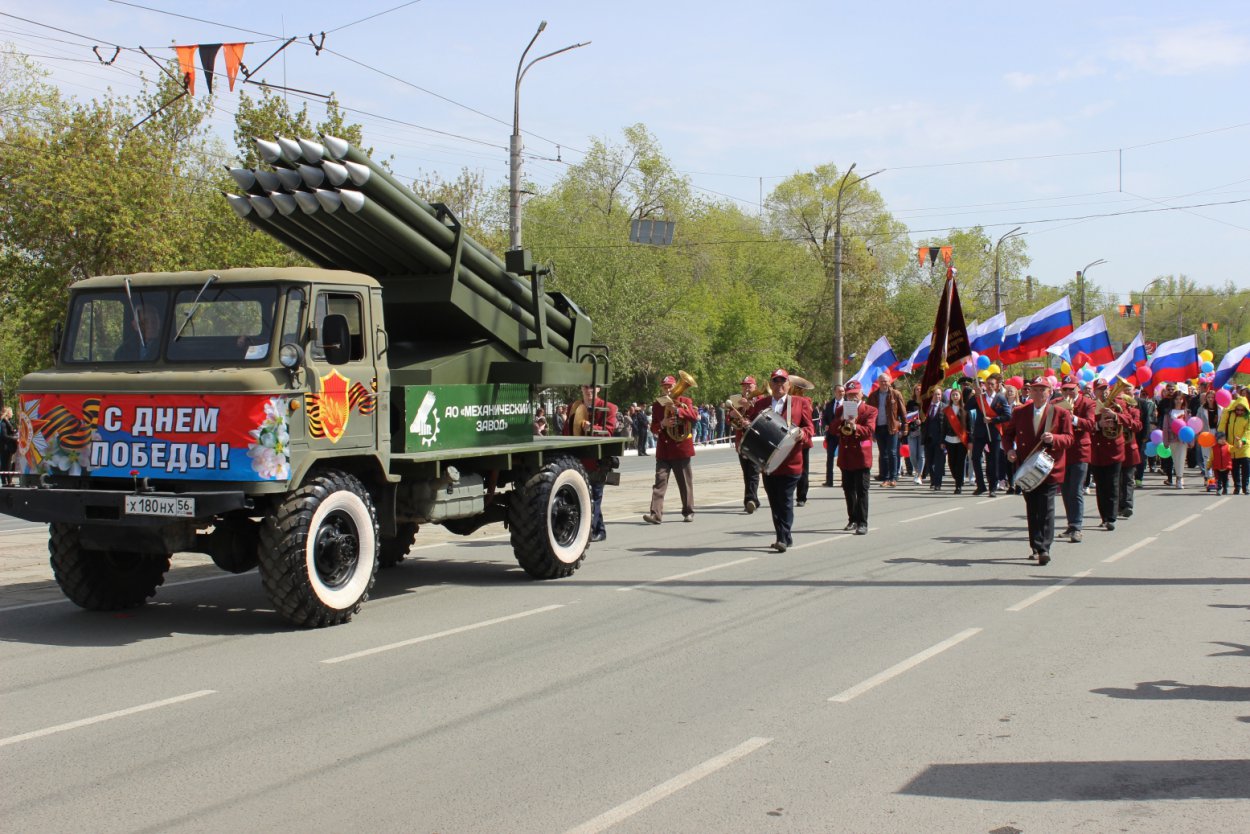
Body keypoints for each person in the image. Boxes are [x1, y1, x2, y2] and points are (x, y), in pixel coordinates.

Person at [1001, 377, 1074, 565]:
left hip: (1049, 468)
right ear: (1030, 392)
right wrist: (1009, 450)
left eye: (1043, 390)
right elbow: (1008, 435)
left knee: (1047, 509)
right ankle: (1035, 545)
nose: (1039, 393)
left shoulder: (1060, 413)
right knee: (1032, 508)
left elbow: (1068, 439)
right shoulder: (1020, 412)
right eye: (1036, 389)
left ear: (1050, 392)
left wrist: (1054, 438)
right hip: (1027, 468)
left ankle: (1044, 548)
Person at [744, 369, 814, 552]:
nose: (779, 385)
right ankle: (784, 536)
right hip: (768, 462)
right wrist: (742, 423)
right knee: (775, 501)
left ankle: (782, 537)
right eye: (775, 381)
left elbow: (810, 428)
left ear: (789, 385)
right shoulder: (762, 403)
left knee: (785, 499)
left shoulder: (800, 403)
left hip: (791, 461)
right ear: (770, 384)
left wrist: (802, 434)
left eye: (783, 381)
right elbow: (750, 424)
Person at [563, 384, 618, 542]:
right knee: (585, 496)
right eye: (586, 387)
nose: (589, 390)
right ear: (581, 388)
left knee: (593, 496)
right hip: (578, 459)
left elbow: (609, 432)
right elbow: (566, 432)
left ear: (599, 389)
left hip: (597, 460)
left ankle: (591, 531)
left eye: (593, 387)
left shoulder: (609, 407)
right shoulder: (573, 406)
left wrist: (591, 428)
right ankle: (599, 530)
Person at [643, 374, 699, 524]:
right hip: (664, 450)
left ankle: (689, 511)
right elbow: (654, 427)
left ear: (675, 386)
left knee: (684, 483)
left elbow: (694, 416)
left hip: (681, 449)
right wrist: (662, 423)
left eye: (670, 386)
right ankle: (655, 514)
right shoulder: (657, 405)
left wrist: (679, 411)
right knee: (659, 482)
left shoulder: (685, 401)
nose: (667, 390)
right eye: (665, 387)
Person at [1088, 378, 1134, 531]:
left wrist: (1115, 416)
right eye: (1100, 389)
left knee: (1113, 483)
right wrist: (1098, 423)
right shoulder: (1091, 405)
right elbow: (1087, 424)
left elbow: (1129, 420)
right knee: (1101, 486)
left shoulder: (1119, 404)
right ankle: (1104, 516)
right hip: (1097, 450)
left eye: (1106, 388)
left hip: (1115, 449)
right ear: (1094, 391)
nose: (1104, 391)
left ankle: (1111, 517)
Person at [834, 380, 877, 535]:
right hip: (846, 455)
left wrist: (854, 426)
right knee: (848, 489)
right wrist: (841, 421)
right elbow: (832, 429)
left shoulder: (870, 410)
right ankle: (852, 519)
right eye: (849, 394)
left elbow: (869, 429)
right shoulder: (840, 409)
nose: (852, 397)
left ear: (861, 393)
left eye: (855, 393)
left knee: (862, 490)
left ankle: (863, 522)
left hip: (861, 455)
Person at [1058, 376, 1095, 543]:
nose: (1068, 392)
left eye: (1071, 389)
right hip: (1063, 452)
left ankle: (1077, 527)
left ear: (1078, 388)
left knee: (1075, 489)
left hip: (1080, 451)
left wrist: (1073, 418)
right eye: (1065, 389)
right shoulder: (1057, 403)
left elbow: (1090, 425)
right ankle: (1071, 524)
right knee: (1065, 490)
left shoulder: (1087, 403)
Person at [969, 373, 1011, 496]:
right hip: (980, 433)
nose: (990, 386)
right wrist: (974, 395)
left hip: (994, 433)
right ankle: (981, 485)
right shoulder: (979, 398)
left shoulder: (1001, 398)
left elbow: (1008, 415)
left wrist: (992, 420)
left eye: (992, 384)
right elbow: (967, 407)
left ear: (996, 385)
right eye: (988, 384)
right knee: (975, 457)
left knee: (993, 460)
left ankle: (993, 487)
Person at [729, 376, 763, 514]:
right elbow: (730, 419)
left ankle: (749, 500)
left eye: (749, 385)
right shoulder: (737, 400)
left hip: (755, 440)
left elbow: (764, 417)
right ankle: (754, 499)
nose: (746, 388)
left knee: (753, 471)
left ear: (755, 386)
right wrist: (731, 414)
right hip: (741, 440)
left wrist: (750, 408)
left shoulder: (760, 400)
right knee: (746, 472)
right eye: (744, 386)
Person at [872, 373, 906, 487]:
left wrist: (905, 427)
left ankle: (893, 477)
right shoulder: (873, 396)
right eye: (881, 381)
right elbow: (869, 413)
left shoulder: (895, 394)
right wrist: (871, 431)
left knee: (892, 452)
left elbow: (903, 412)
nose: (884, 383)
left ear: (889, 382)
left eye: (886, 381)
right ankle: (885, 478)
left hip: (892, 427)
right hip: (879, 428)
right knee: (883, 453)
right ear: (878, 382)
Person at [1217, 395, 1250, 494]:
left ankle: (1246, 487)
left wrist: (1242, 440)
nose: (1239, 412)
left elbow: (1248, 431)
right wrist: (1220, 438)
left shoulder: (1248, 417)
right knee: (1234, 469)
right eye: (1237, 409)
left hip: (1244, 446)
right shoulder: (1230, 414)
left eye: (1241, 410)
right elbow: (1222, 426)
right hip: (1231, 446)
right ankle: (1237, 487)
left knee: (1246, 469)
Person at [941, 388, 971, 494]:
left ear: (960, 396)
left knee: (960, 463)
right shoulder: (947, 410)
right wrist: (942, 441)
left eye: (957, 395)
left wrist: (970, 440)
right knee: (951, 463)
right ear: (951, 397)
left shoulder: (965, 410)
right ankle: (958, 478)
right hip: (949, 440)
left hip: (961, 440)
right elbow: (943, 426)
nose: (955, 397)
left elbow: (969, 426)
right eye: (953, 395)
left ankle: (958, 486)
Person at [1161, 389, 1192, 489]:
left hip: (1183, 439)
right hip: (1172, 439)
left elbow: (1190, 427)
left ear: (1183, 400)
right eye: (1176, 399)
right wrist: (1165, 441)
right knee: (1175, 459)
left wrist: (1191, 441)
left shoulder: (1186, 412)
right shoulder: (1169, 412)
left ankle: (1179, 478)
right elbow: (1165, 427)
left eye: (1180, 399)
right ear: (1173, 400)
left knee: (1182, 458)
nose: (1178, 401)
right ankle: (1179, 476)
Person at [821, 384, 844, 487]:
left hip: (844, 435)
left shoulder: (848, 404)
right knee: (830, 457)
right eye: (839, 391)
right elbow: (825, 418)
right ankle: (829, 480)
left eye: (843, 391)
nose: (841, 393)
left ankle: (845, 480)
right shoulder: (830, 404)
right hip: (831, 435)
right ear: (835, 392)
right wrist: (825, 425)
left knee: (844, 458)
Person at [905, 383, 926, 485]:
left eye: (920, 389)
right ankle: (917, 471)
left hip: (922, 431)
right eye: (916, 389)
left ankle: (918, 475)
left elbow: (928, 416)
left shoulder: (925, 403)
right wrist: (913, 421)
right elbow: (907, 416)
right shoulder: (910, 403)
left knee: (921, 455)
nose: (918, 391)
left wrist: (922, 421)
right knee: (913, 454)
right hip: (912, 431)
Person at [1209, 431, 1232, 495]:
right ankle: (1218, 489)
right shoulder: (1213, 448)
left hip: (1226, 467)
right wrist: (1209, 465)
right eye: (1221, 439)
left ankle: (1225, 489)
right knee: (1218, 479)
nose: (1223, 440)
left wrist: (1238, 442)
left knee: (1225, 479)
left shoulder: (1228, 446)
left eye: (1224, 439)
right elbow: (1211, 457)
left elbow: (1235, 449)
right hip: (1217, 467)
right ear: (1217, 440)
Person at [0, 406, 17, 485]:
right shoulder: (3, 423)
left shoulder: (7, 422)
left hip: (8, 447)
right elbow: (4, 436)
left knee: (8, 465)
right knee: (6, 465)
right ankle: (6, 482)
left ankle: (8, 481)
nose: (12, 414)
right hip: (5, 448)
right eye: (11, 412)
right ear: (7, 413)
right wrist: (15, 438)